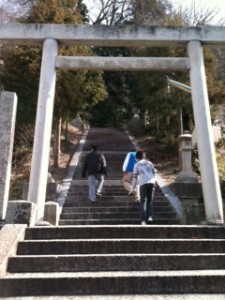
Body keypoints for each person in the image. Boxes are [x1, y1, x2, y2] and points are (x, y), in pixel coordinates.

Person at [129, 151, 156, 225]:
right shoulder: (149, 163)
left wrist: (133, 188)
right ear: (144, 156)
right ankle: (150, 217)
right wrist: (153, 181)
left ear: (136, 158)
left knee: (143, 202)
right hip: (152, 183)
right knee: (150, 201)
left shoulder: (137, 165)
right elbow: (154, 172)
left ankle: (143, 220)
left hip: (143, 183)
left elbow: (134, 178)